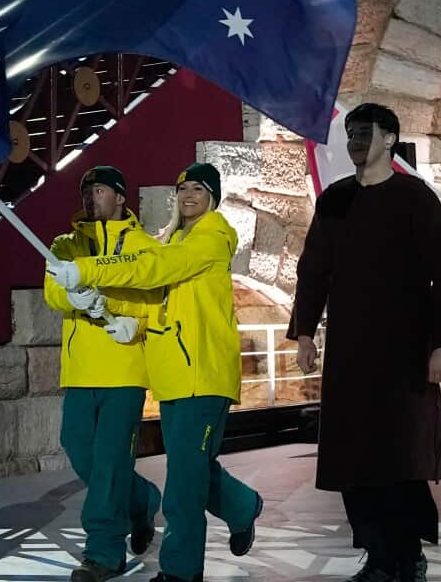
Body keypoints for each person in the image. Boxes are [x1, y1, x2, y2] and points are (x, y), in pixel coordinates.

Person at [48, 162, 263, 582]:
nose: (188, 195)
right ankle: (239, 505)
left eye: (199, 189)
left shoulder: (210, 238)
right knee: (188, 468)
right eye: (183, 187)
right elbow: (157, 300)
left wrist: (89, 273)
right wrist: (132, 320)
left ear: (213, 198)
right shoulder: (170, 240)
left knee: (184, 481)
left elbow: (154, 271)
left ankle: (180, 571)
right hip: (171, 375)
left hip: (200, 372)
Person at [289, 103, 441, 582]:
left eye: (363, 132)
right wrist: (305, 331)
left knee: (401, 457)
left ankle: (405, 553)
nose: (353, 141)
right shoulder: (335, 201)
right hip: (350, 351)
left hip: (407, 351)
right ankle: (375, 550)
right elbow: (314, 270)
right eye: (350, 133)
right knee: (354, 456)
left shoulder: (416, 198)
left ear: (389, 138)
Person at [42, 166, 162, 582]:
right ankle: (142, 497)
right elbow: (53, 291)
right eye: (86, 190)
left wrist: (133, 321)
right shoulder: (67, 244)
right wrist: (74, 295)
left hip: (124, 369)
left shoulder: (143, 246)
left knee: (110, 462)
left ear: (121, 197)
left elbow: (151, 299)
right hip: (80, 371)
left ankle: (103, 552)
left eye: (99, 190)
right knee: (77, 446)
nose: (90, 197)